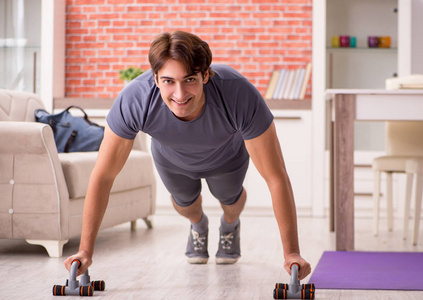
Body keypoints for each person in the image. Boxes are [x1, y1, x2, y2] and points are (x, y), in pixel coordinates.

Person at [64, 31, 311, 280]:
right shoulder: (135, 100)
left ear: (206, 75)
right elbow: (104, 176)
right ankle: (198, 226)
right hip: (172, 161)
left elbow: (276, 177)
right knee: (187, 206)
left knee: (231, 201)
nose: (180, 95)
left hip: (227, 158)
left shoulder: (238, 94)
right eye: (169, 81)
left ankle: (229, 226)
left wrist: (292, 253)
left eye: (190, 79)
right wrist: (85, 251)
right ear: (156, 78)